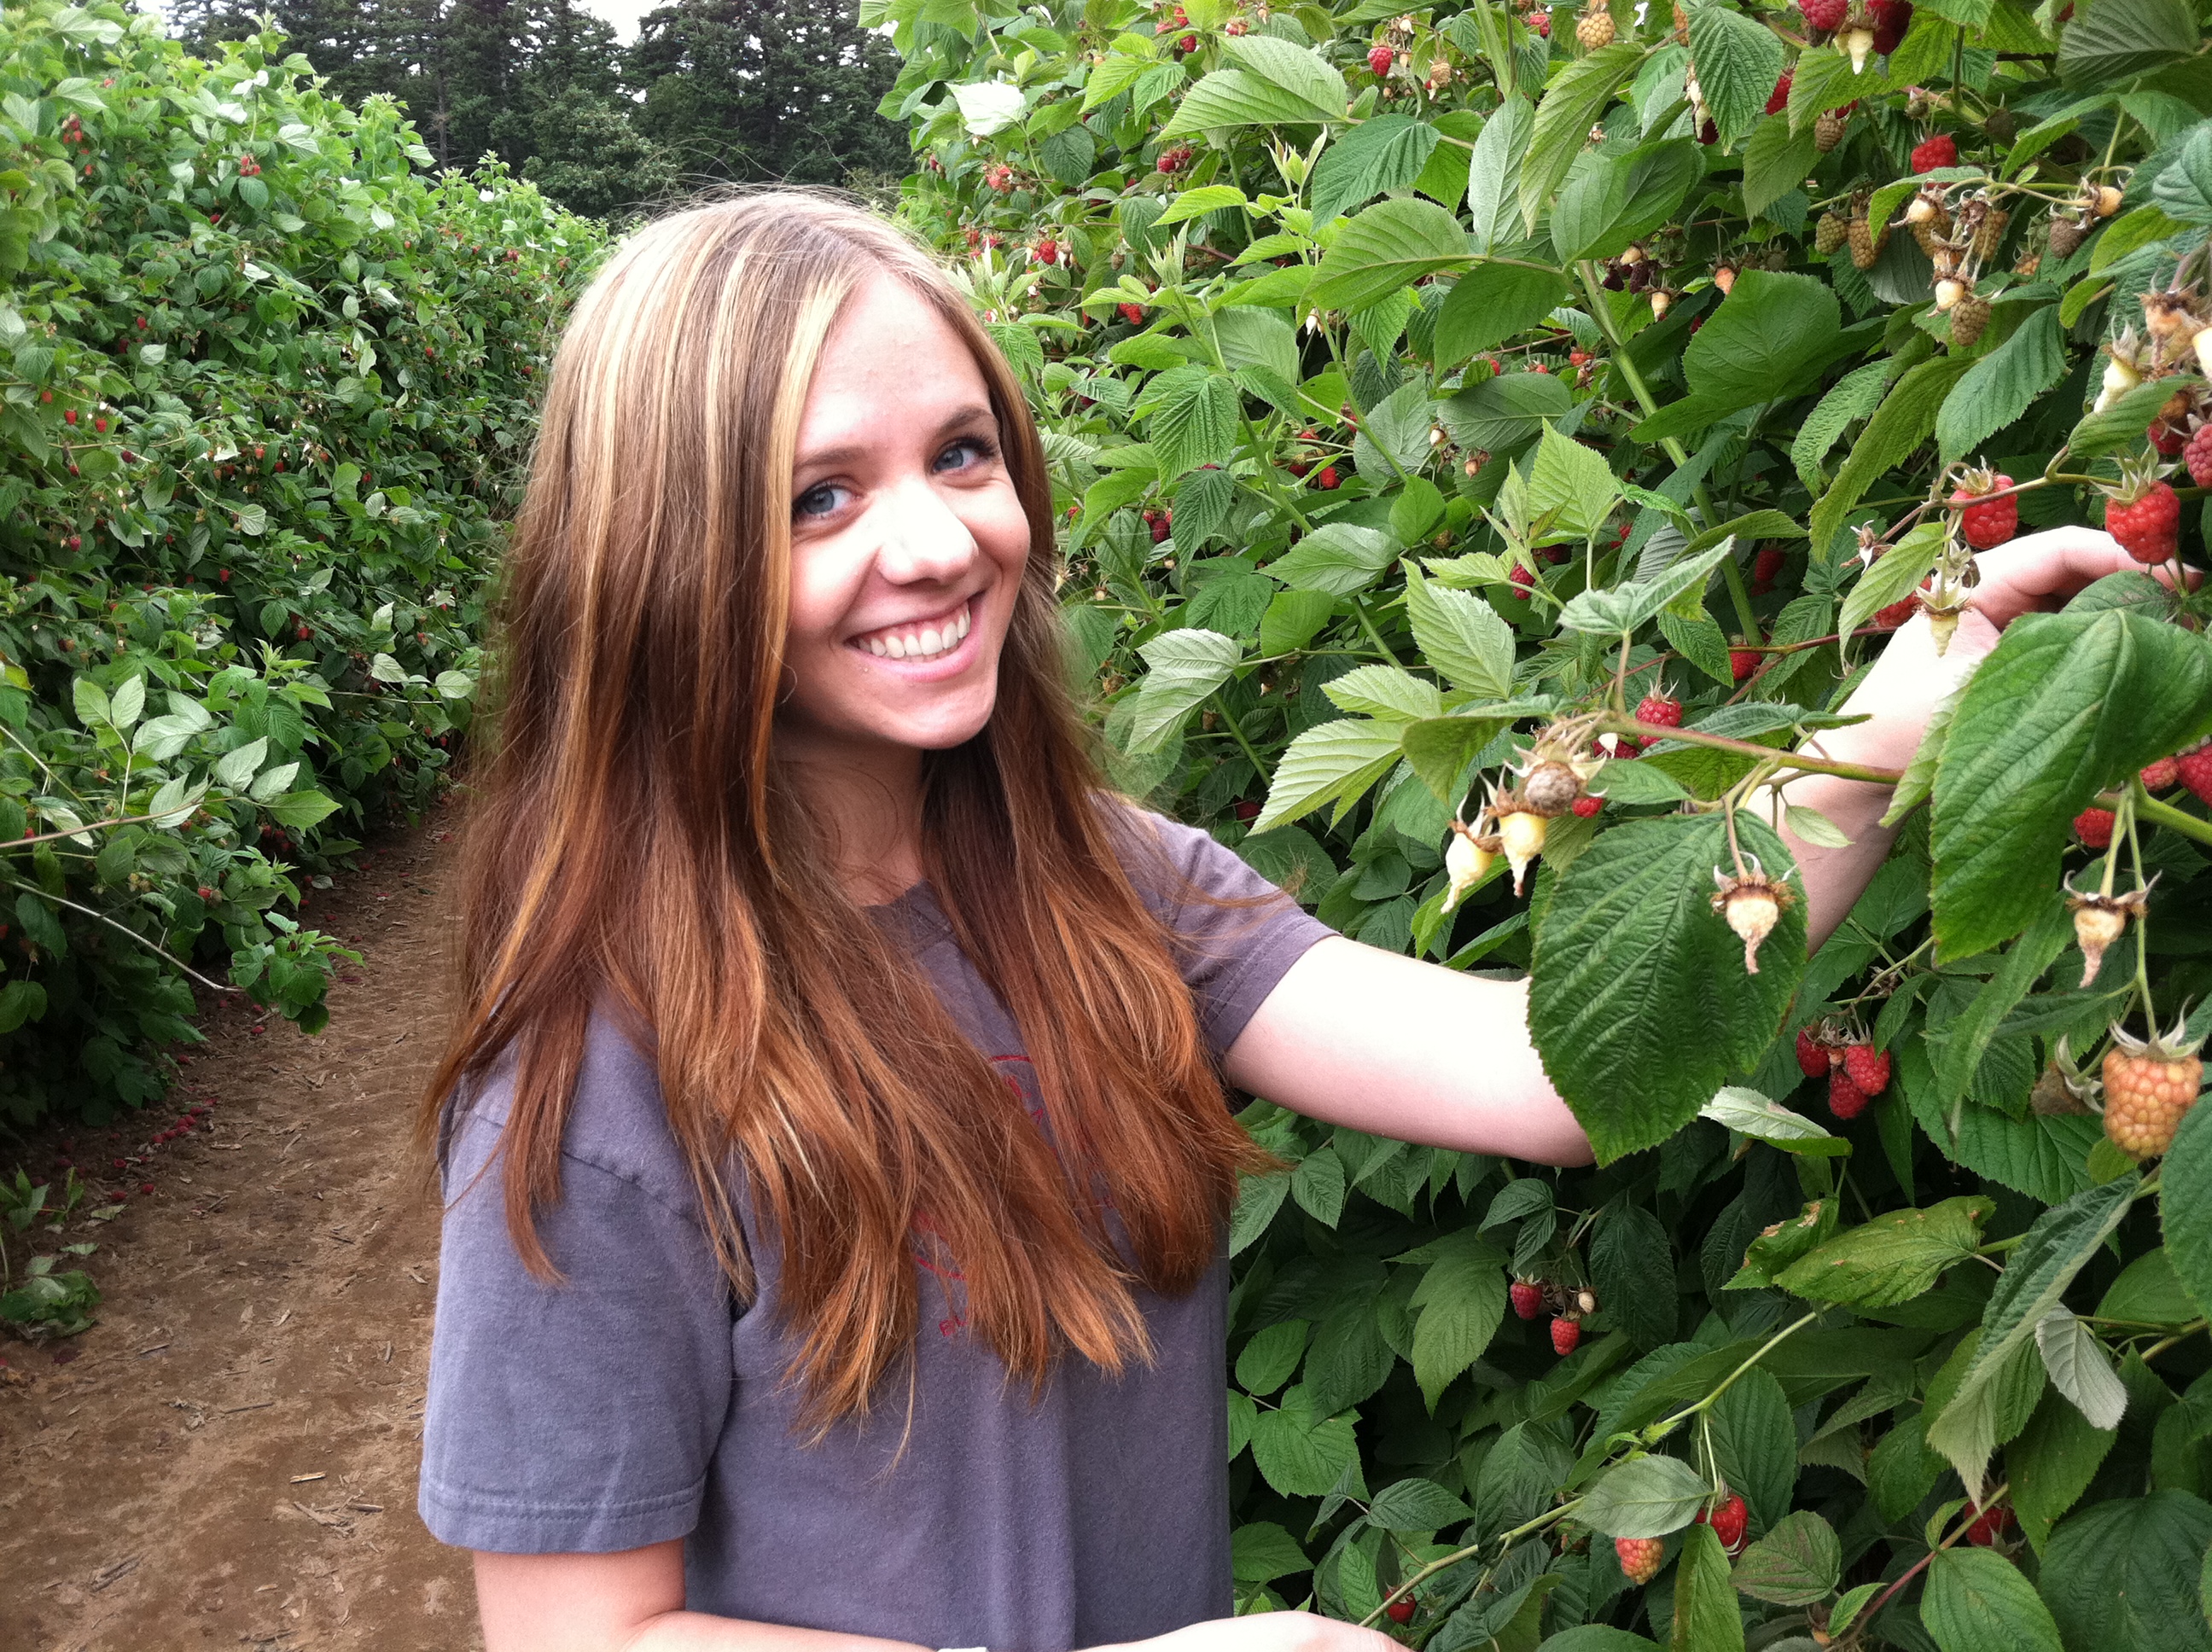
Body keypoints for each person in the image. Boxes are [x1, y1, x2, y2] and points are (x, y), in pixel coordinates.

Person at [411, 190, 2154, 1652]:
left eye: (962, 452)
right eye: (820, 495)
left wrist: (1872, 741)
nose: (937, 541)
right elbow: (580, 1638)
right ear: (661, 558)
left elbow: (1551, 1075)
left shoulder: (1108, 888)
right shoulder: (601, 1079)